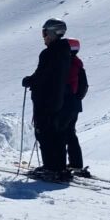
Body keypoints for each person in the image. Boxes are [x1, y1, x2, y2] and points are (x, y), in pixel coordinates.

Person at [22, 18, 73, 181]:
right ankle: (58, 166)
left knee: (44, 133)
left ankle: (51, 168)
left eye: (44, 32)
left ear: (52, 33)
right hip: (58, 99)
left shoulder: (49, 53)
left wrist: (29, 80)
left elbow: (42, 75)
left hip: (45, 99)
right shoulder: (65, 52)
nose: (43, 36)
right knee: (56, 133)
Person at [63, 38, 90, 177]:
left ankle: (60, 165)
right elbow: (84, 87)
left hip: (66, 104)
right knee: (70, 133)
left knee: (62, 132)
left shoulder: (68, 64)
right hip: (75, 105)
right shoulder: (79, 65)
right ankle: (76, 163)